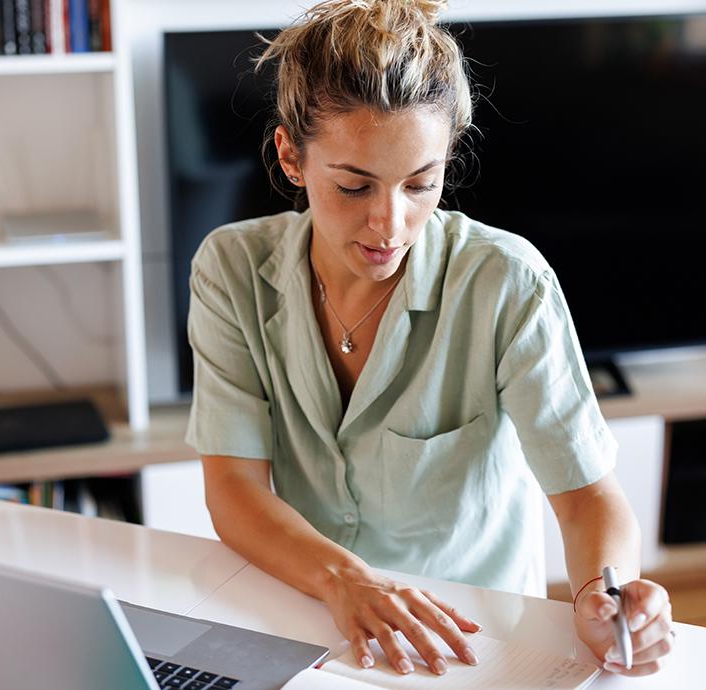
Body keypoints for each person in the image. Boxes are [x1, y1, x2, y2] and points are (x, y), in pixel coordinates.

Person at [184, 0, 674, 678]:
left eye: (421, 184)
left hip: (469, 645)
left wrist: (603, 591)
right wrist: (345, 581)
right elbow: (233, 488)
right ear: (290, 155)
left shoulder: (506, 283)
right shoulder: (230, 268)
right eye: (354, 186)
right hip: (303, 616)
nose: (389, 224)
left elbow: (587, 494)